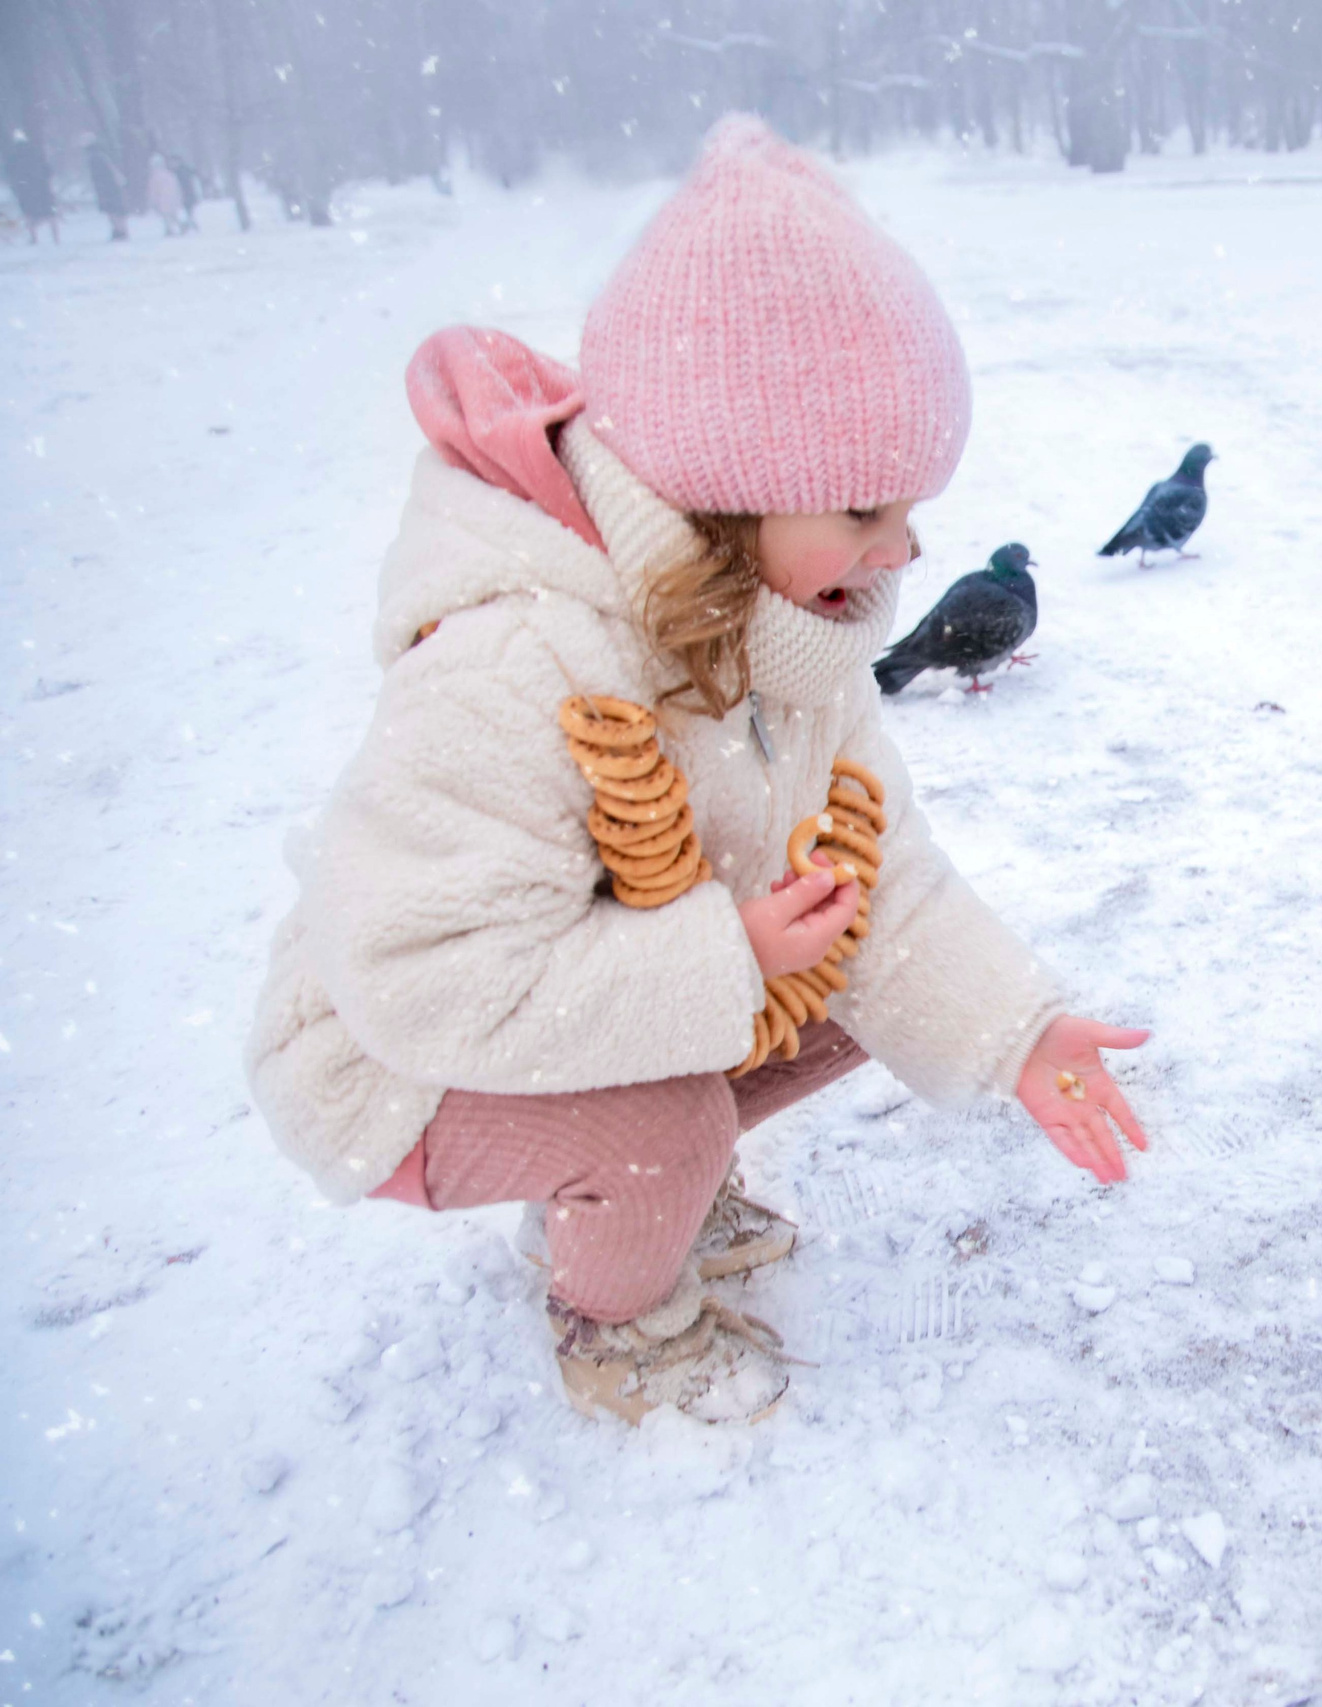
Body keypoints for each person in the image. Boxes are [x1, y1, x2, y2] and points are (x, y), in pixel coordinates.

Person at [245, 117, 1152, 1427]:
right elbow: (420, 978)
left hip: (574, 997)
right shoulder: (518, 659)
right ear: (733, 490)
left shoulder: (798, 628)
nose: (904, 544)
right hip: (390, 1060)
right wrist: (724, 961)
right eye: (864, 505)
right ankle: (614, 1311)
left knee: (849, 987)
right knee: (665, 1116)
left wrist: (1014, 1030)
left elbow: (880, 874)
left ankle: (638, 1175)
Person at [6, 130, 58, 245]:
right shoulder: (36, 152)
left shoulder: (14, 157)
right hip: (41, 187)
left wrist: (16, 186)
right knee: (49, 212)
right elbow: (48, 170)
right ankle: (56, 237)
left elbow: (10, 173)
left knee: (29, 213)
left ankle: (34, 237)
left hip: (25, 189)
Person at [83, 136, 126, 240]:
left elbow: (96, 177)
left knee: (111, 210)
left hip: (105, 189)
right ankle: (121, 230)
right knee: (117, 210)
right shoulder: (105, 156)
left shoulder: (94, 159)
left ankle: (118, 231)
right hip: (113, 187)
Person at [146, 152, 185, 235]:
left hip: (162, 200)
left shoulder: (154, 176)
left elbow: (154, 190)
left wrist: (153, 200)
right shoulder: (170, 174)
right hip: (173, 198)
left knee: (166, 216)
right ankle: (180, 225)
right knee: (173, 215)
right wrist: (179, 198)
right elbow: (177, 187)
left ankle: (169, 229)